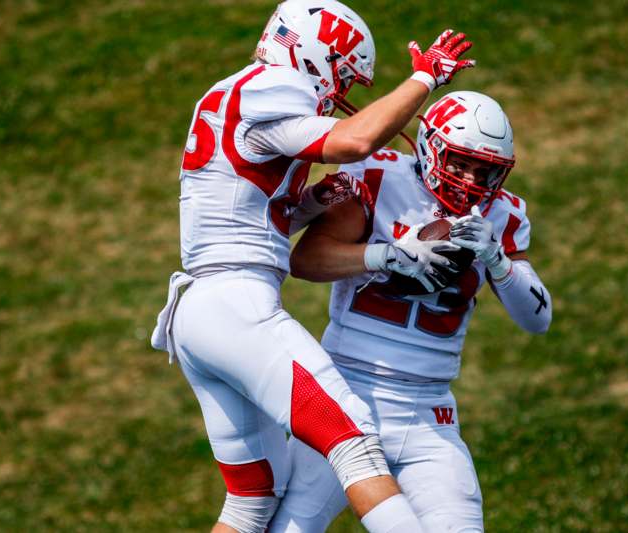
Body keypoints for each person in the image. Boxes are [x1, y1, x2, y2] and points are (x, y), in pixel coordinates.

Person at [151, 0, 477, 531]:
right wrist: (423, 78)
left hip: (201, 311)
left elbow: (253, 216)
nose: (338, 95)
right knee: (355, 443)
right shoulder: (273, 86)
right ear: (317, 53)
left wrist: (314, 202)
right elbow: (356, 140)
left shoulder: (236, 92)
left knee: (252, 500)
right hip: (237, 306)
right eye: (342, 78)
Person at [269, 90, 552, 532]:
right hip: (348, 392)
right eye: (460, 163)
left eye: (485, 170)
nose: (471, 180)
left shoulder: (502, 216)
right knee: (286, 526)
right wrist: (385, 256)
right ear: (430, 146)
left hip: (430, 411)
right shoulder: (380, 178)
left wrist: (497, 260)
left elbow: (539, 318)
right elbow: (305, 261)